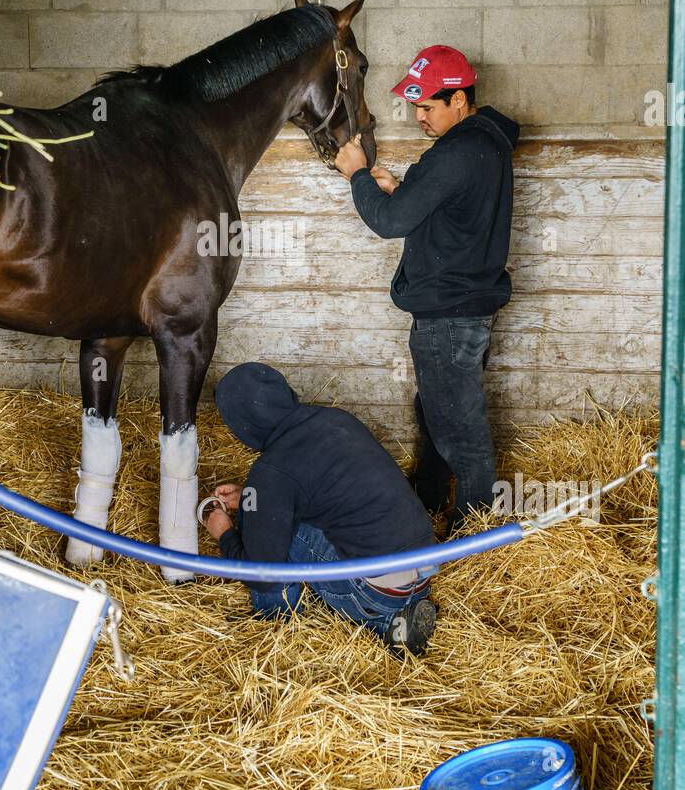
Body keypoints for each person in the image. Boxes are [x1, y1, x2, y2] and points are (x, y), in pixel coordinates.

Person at [333, 45, 519, 535]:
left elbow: (390, 222)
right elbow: (453, 210)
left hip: (448, 313)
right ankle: (431, 494)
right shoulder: (489, 142)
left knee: (461, 426)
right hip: (469, 303)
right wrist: (403, 187)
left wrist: (357, 175)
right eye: (415, 106)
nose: (420, 116)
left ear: (460, 100)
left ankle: (476, 526)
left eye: (429, 106)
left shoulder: (454, 152)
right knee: (439, 407)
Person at [204, 361, 439, 655]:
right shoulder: (336, 419)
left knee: (276, 533)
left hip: (376, 591)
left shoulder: (271, 472)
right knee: (278, 514)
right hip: (425, 564)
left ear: (243, 427)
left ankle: (277, 624)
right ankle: (408, 608)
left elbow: (262, 574)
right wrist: (252, 498)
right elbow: (323, 485)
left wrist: (225, 533)